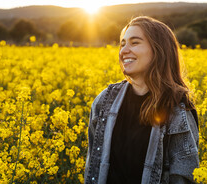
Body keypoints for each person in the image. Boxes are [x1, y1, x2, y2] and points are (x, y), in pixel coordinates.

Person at [84, 16, 199, 184]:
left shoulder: (176, 108)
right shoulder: (105, 100)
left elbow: (183, 178)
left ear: (159, 50)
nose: (123, 51)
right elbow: (92, 165)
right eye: (122, 44)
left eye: (134, 43)